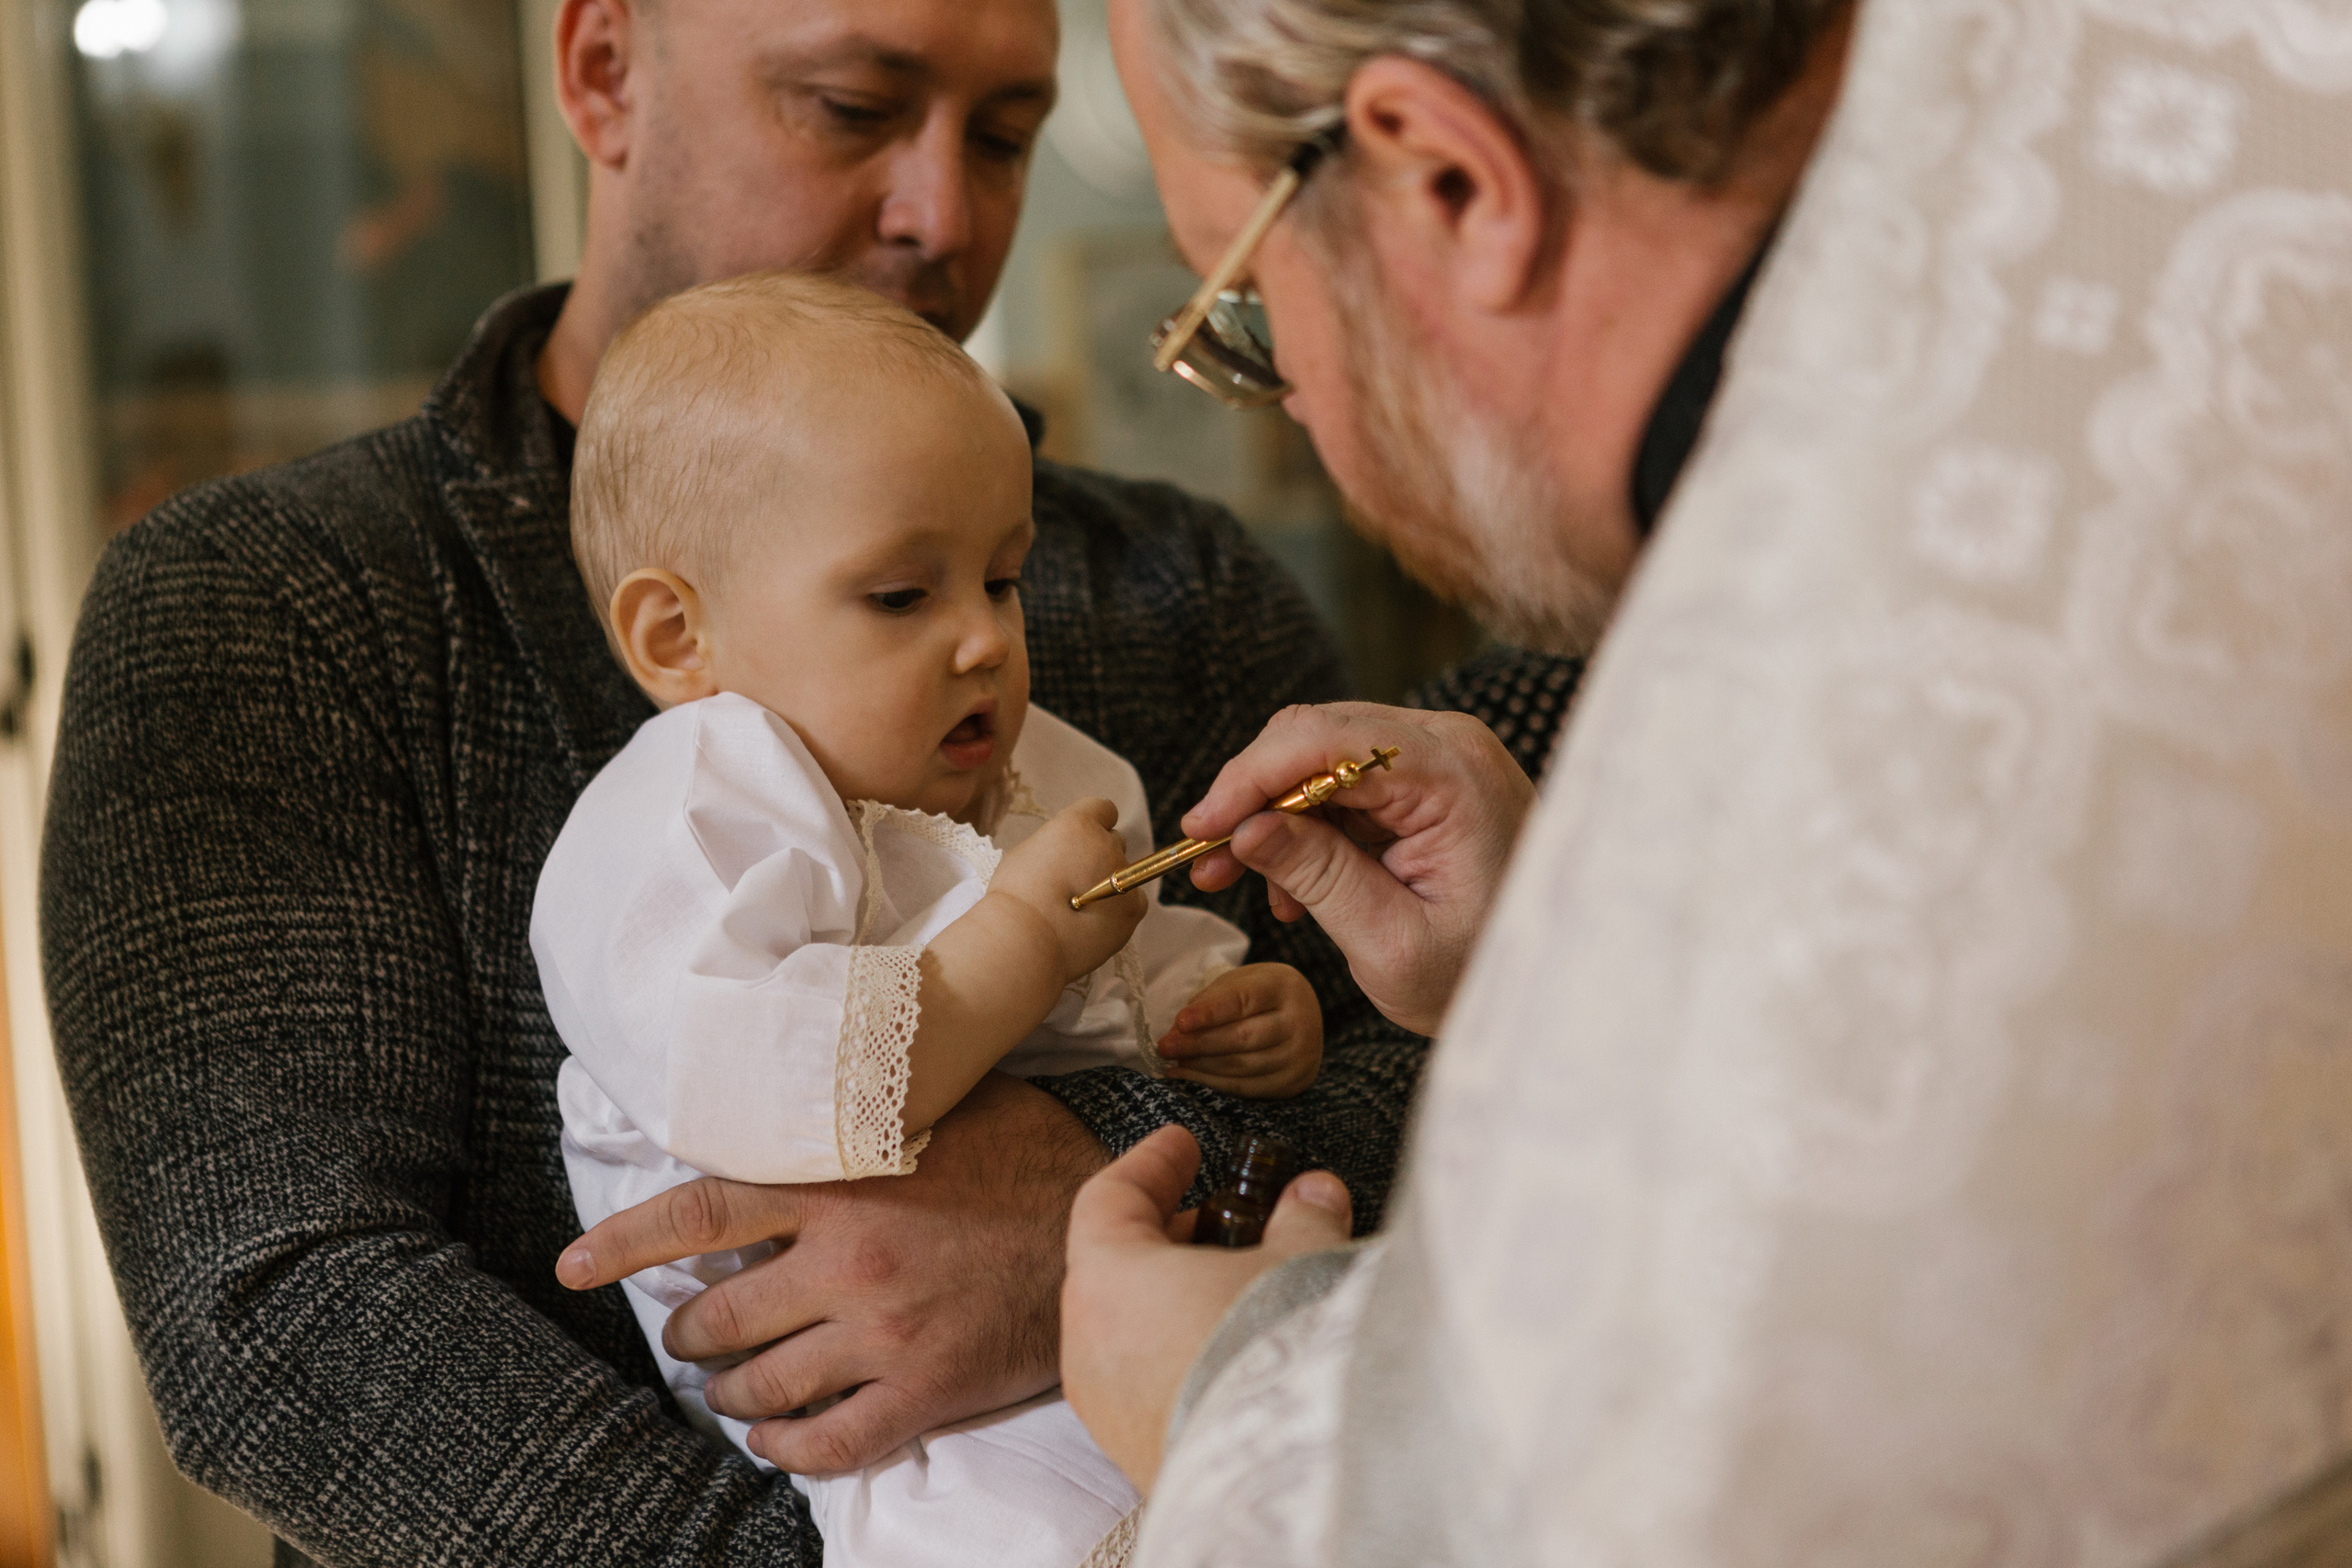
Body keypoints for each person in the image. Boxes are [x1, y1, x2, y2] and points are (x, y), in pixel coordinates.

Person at [35, 0, 1512, 1559]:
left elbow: (1435, 1069)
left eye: (1006, 137)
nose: (944, 212)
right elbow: (280, 1315)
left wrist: (1106, 1196)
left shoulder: (1175, 583)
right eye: (849, 104)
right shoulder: (272, 608)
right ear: (605, 72)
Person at [1058, 0, 2352, 1563]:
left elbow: (1646, 1484)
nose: (1303, 413)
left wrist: (1233, 1385)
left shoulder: (1879, 680)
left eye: (1248, 308)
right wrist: (1566, 952)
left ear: (1451, 183)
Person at [539, 272, 1327, 1568]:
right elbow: (773, 1093)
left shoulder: (1031, 778)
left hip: (1126, 1333)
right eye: (904, 598)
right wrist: (1024, 938)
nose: (984, 642)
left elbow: (1122, 966)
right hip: (896, 1425)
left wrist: (1223, 1011)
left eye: (1003, 582)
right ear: (680, 635)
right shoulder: (689, 812)